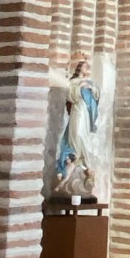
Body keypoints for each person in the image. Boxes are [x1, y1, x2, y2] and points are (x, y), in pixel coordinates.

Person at [55, 59, 100, 195]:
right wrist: (80, 88)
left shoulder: (89, 82)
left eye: (87, 67)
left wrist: (91, 88)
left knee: (83, 135)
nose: (86, 69)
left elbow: (96, 95)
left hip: (86, 112)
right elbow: (70, 95)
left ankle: (82, 160)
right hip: (77, 110)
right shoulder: (73, 82)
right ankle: (76, 155)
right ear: (79, 68)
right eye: (84, 66)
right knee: (76, 133)